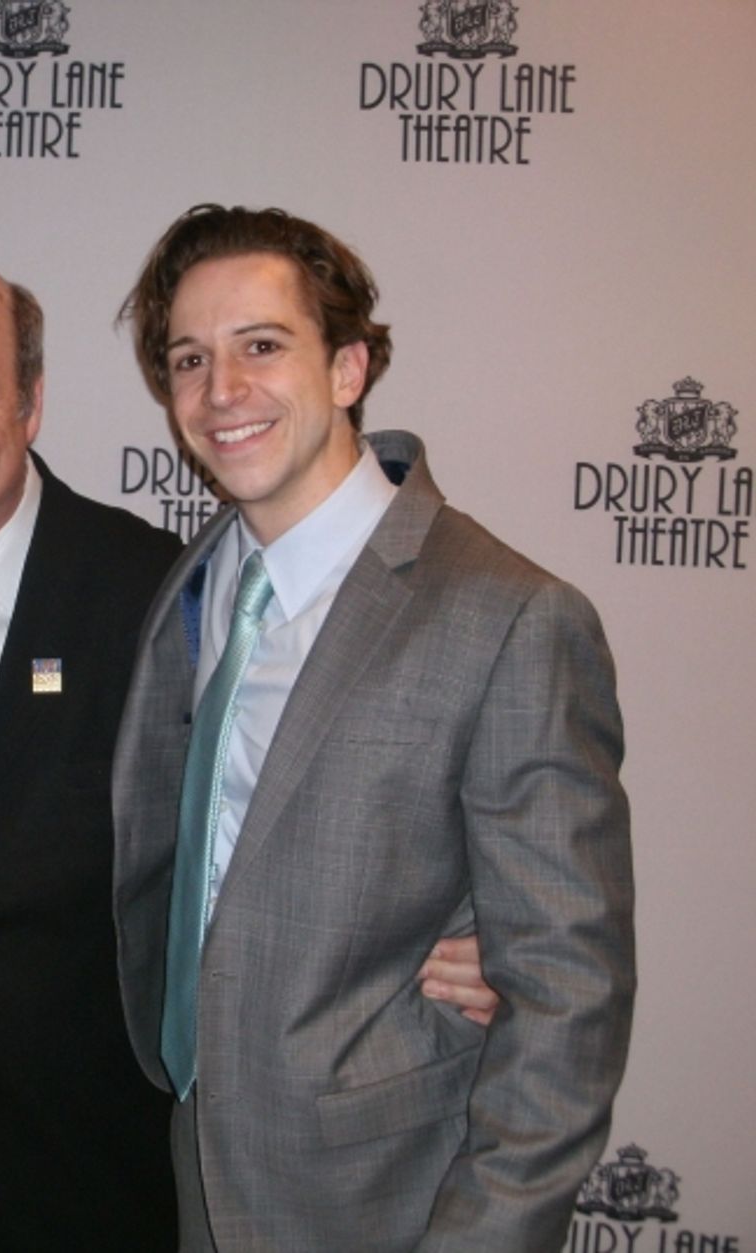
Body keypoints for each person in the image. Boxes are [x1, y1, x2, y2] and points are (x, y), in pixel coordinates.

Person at [0, 257, 496, 1251]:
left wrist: (446, 929)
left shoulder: (159, 594)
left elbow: (293, 795)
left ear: (29, 404)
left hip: (80, 1178)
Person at [112, 204, 635, 1251]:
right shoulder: (197, 582)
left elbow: (568, 1000)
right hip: (197, 1159)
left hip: (386, 1196)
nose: (221, 393)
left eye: (261, 346)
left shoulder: (506, 616)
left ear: (347, 368)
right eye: (187, 359)